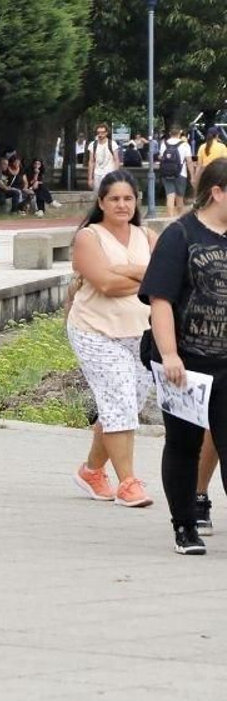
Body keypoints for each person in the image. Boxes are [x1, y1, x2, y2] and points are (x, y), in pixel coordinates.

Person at [141, 159, 227, 554]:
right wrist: (170, 354)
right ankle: (184, 526)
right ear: (218, 191)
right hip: (187, 362)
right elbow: (160, 299)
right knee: (183, 444)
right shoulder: (180, 235)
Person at [67, 170, 158, 510]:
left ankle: (92, 471)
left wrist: (124, 271)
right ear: (102, 203)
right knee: (119, 395)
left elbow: (164, 280)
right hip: (95, 331)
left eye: (128, 198)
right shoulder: (89, 238)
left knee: (124, 404)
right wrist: (141, 274)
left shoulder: (147, 236)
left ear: (136, 202)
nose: (122, 204)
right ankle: (128, 483)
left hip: (140, 333)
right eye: (114, 199)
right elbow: (104, 284)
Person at [158, 127, 193, 217]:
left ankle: (170, 219)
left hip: (166, 173)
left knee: (170, 196)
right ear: (180, 133)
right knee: (180, 198)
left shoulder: (164, 144)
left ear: (170, 133)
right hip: (181, 174)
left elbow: (161, 158)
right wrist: (192, 175)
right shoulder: (185, 145)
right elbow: (189, 161)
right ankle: (180, 220)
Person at [87, 123, 119, 191]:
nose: (100, 134)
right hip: (97, 174)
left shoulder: (112, 144)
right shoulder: (93, 145)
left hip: (109, 174)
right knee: (97, 194)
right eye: (98, 132)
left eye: (102, 132)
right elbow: (91, 161)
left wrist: (116, 175)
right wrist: (90, 178)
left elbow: (116, 160)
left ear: (107, 132)